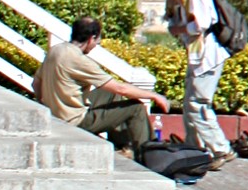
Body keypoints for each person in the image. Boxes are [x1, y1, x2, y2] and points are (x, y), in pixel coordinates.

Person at [33, 17, 169, 154]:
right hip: (75, 120)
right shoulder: (79, 60)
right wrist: (155, 96)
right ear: (91, 38)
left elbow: (36, 83)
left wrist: (47, 105)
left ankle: (121, 147)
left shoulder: (56, 50)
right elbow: (121, 88)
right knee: (136, 108)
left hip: (57, 114)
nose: (95, 46)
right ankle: (149, 154)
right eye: (97, 42)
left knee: (110, 94)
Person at [151, 0, 236, 166]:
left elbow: (202, 23)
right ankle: (196, 149)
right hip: (197, 56)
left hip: (207, 56)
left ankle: (220, 149)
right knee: (190, 104)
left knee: (198, 103)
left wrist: (179, 28)